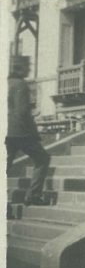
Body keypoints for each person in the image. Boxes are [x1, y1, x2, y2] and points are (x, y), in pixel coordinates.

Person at [6, 55, 51, 206]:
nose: (30, 69)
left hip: (6, 131)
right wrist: (33, 134)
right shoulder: (20, 84)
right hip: (20, 132)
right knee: (42, 159)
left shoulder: (6, 82)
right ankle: (33, 195)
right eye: (27, 67)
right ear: (19, 68)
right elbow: (22, 112)